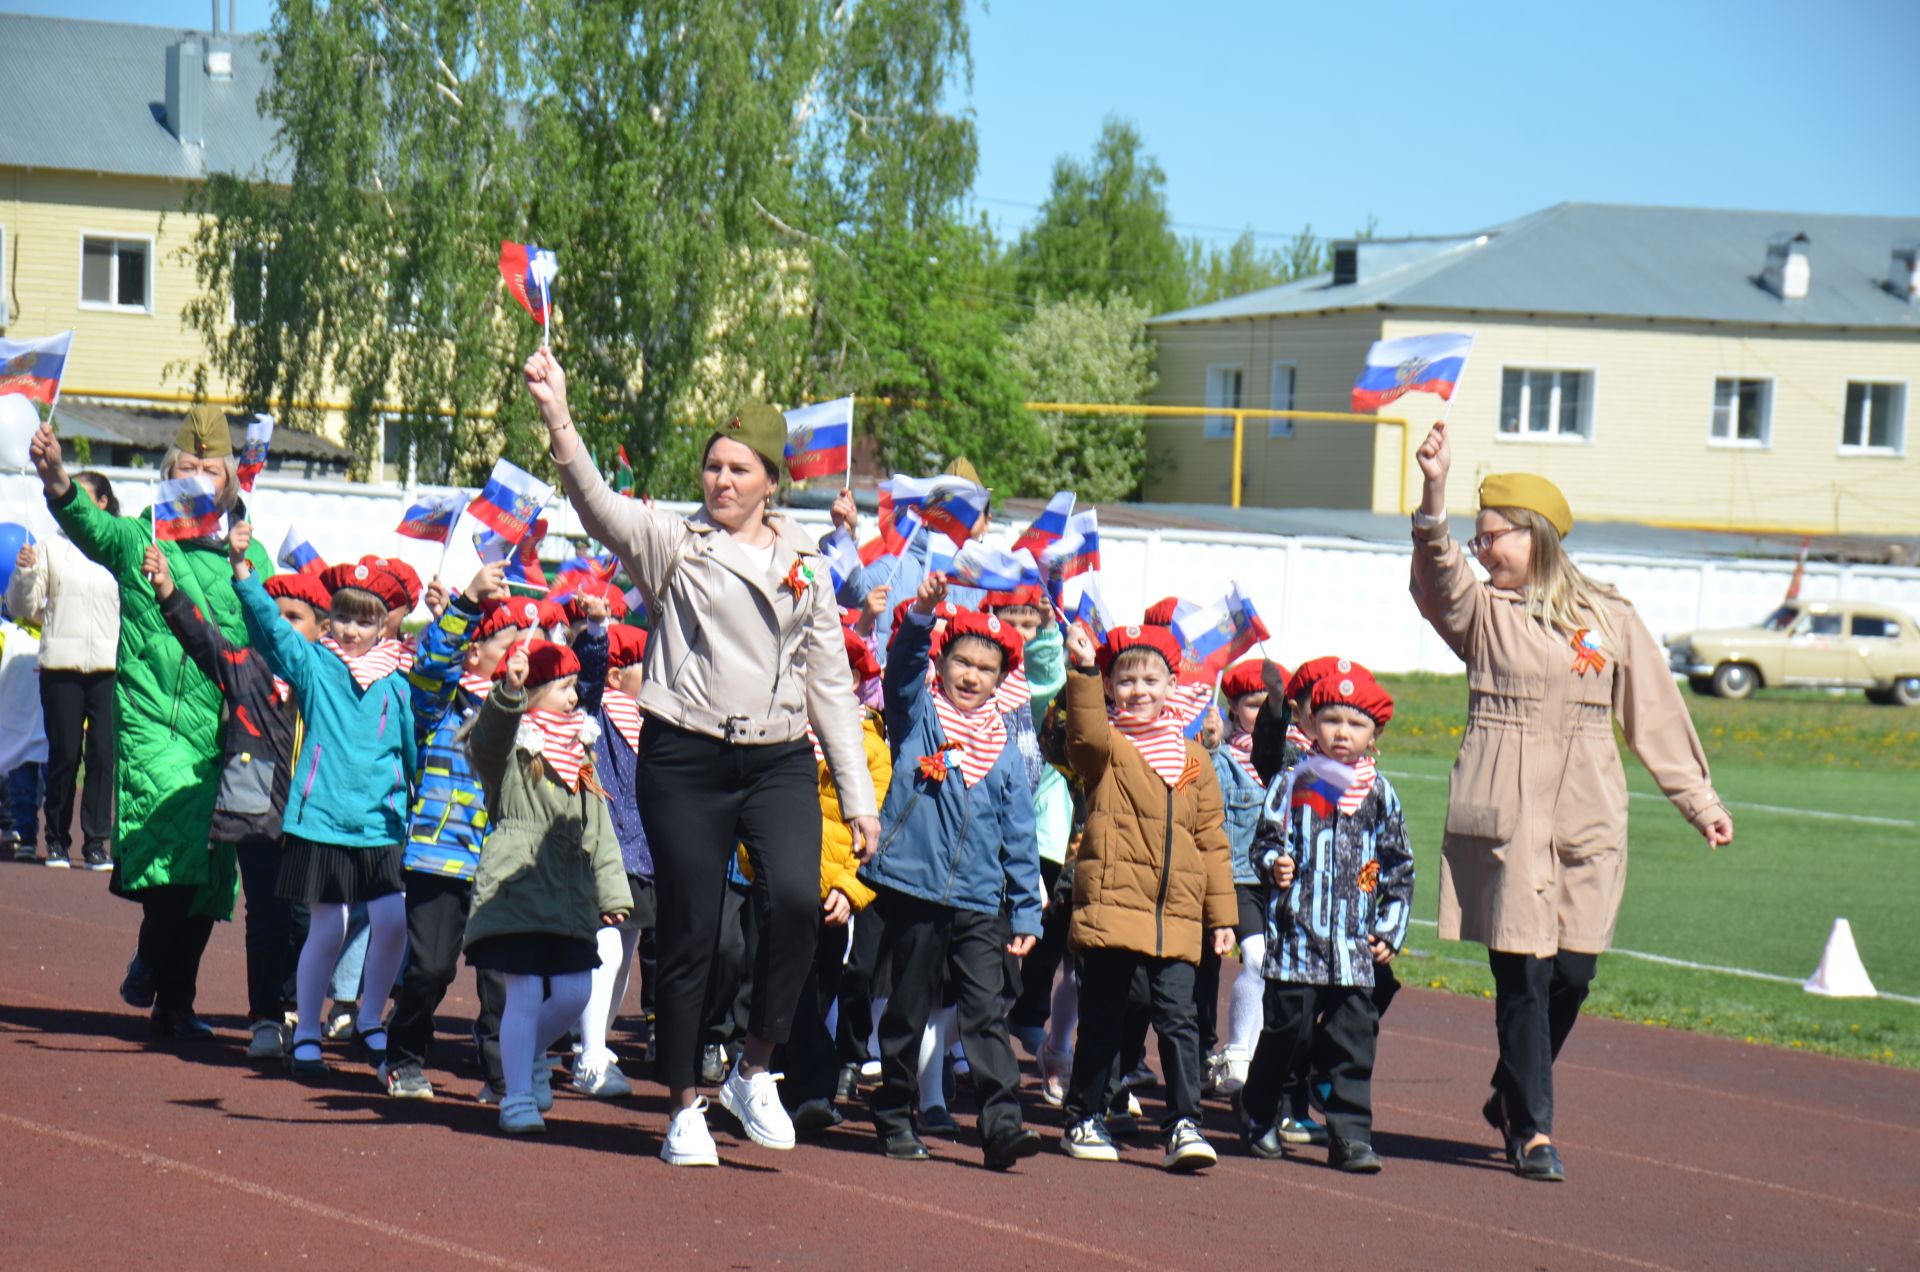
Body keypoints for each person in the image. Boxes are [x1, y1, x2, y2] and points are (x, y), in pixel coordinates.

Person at [524, 348, 878, 1168]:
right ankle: (684, 1103)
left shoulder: (809, 570)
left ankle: (755, 1068)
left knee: (794, 903)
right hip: (685, 755)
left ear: (770, 483)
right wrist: (557, 415)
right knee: (691, 932)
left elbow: (830, 684)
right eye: (713, 467)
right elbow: (599, 505)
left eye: (739, 469)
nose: (722, 481)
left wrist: (858, 800)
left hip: (779, 755)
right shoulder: (673, 545)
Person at [1410, 423, 1734, 1183]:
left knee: (1574, 973)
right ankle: (1533, 1131)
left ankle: (1511, 1089)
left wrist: (1699, 799)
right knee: (1522, 972)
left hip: (1588, 804)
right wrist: (1435, 489)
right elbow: (1435, 572)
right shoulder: (1480, 612)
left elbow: (1651, 713)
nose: (1484, 549)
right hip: (1507, 802)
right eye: (1480, 536)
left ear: (1538, 536)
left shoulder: (1609, 616)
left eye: (1495, 536)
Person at [28, 411, 272, 1034]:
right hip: (151, 726)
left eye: (209, 469)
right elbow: (85, 521)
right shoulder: (140, 539)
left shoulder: (248, 553)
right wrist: (56, 475)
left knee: (209, 874)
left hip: (222, 733)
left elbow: (277, 630)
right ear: (168, 476)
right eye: (184, 468)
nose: (195, 477)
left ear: (228, 482)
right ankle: (157, 965)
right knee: (174, 852)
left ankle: (172, 997)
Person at [863, 578, 1044, 1170]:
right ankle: (893, 1112)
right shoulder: (917, 715)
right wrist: (920, 613)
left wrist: (1024, 911)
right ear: (942, 663)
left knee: (984, 1010)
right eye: (962, 662)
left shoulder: (1007, 751)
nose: (971, 676)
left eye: (985, 669)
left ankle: (1002, 1124)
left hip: (979, 900)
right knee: (909, 1006)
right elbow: (902, 668)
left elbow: (1020, 836)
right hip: (916, 887)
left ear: (1001, 680)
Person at [1057, 622, 1236, 1172]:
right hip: (1114, 908)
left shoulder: (1193, 759)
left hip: (1177, 916)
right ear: (1110, 687)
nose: (1138, 690)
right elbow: (1082, 736)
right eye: (1125, 680)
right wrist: (1084, 671)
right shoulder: (1106, 747)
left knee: (1179, 1020)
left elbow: (1211, 838)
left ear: (1171, 685)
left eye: (1150, 679)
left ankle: (1184, 1123)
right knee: (1105, 1015)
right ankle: (1083, 1117)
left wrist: (1221, 915)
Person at [234, 546, 416, 1078]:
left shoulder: (398, 682)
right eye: (344, 618)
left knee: (393, 922)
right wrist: (244, 573)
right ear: (330, 621)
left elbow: (408, 751)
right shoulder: (314, 665)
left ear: (383, 625)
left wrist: (408, 804)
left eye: (365, 620)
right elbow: (270, 629)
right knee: (328, 930)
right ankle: (308, 1031)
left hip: (380, 825)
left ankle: (370, 1019)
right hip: (324, 822)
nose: (353, 630)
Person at [146, 544, 326, 1058]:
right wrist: (166, 589)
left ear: (321, 628)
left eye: (298, 617)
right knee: (267, 916)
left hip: (312, 814)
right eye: (277, 615)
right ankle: (266, 1017)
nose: (285, 625)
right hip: (256, 810)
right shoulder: (245, 666)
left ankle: (297, 1009)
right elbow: (201, 638)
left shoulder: (328, 677)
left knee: (304, 920)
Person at [1237, 664, 1412, 1174]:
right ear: (1312, 725)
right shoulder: (1295, 781)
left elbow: (1398, 865)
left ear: (1373, 734)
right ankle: (1259, 1111)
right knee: (1285, 1035)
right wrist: (1276, 864)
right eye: (1331, 721)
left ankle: (1351, 1135)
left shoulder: (1380, 794)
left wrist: (1390, 926)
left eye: (1355, 725)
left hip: (1353, 950)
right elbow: (1265, 841)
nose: (1342, 733)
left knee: (1352, 1043)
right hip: (1296, 944)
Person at [461, 639, 631, 1135]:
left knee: (577, 991)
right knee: (527, 990)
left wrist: (614, 892)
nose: (574, 698)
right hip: (517, 885)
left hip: (570, 889)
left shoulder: (582, 747)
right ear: (531, 691)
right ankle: (515, 1096)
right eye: (562, 687)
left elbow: (598, 825)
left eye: (575, 687)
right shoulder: (510, 742)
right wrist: (509, 693)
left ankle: (527, 1057)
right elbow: (488, 740)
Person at [380, 569, 521, 1101]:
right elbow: (432, 660)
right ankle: (404, 1057)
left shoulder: (528, 713)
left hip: (503, 865)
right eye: (507, 645)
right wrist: (466, 603)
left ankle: (502, 1078)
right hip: (440, 859)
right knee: (431, 969)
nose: (518, 657)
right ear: (473, 653)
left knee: (502, 982)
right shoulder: (440, 703)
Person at [8, 471, 120, 870]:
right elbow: (23, 606)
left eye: (84, 498)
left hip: (110, 665)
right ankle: (56, 838)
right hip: (61, 664)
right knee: (65, 754)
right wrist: (23, 572)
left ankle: (96, 843)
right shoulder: (51, 546)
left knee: (104, 756)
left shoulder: (117, 544)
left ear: (104, 503)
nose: (74, 504)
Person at [568, 613, 654, 1098]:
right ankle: (590, 1052)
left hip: (646, 855)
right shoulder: (599, 713)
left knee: (626, 953)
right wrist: (598, 631)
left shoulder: (654, 720)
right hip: (607, 849)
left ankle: (594, 1041)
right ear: (618, 675)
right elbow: (588, 670)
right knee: (607, 947)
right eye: (645, 664)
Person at [1204, 658, 1282, 1095]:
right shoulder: (1223, 761)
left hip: (1280, 882)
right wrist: (1212, 747)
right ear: (1232, 707)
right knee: (1255, 959)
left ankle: (1250, 1059)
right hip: (1237, 879)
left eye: (1270, 703)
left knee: (1274, 968)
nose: (1262, 712)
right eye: (1253, 704)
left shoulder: (1288, 761)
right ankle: (1236, 1052)